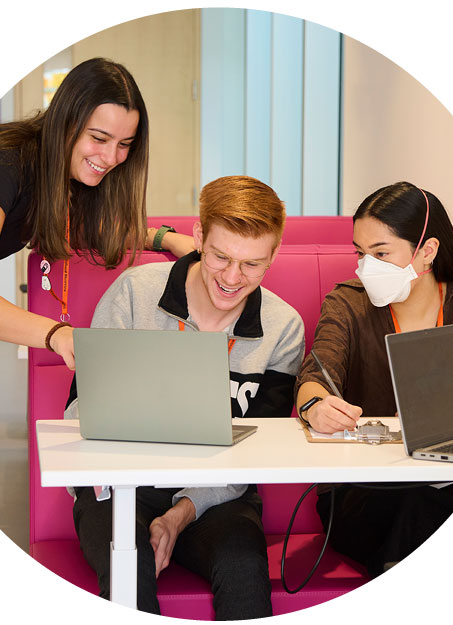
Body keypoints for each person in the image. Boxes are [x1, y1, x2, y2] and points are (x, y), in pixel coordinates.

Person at [64, 175, 305, 618]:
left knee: (243, 568)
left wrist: (181, 513)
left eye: (253, 265)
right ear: (198, 236)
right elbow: (81, 410)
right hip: (122, 485)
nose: (233, 279)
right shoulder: (134, 293)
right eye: (220, 257)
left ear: (273, 256)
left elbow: (258, 450)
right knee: (127, 567)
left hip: (219, 496)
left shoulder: (283, 327)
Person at [0, 57, 193, 430]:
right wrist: (56, 334)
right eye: (99, 138)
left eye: (124, 144)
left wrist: (165, 238)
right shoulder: (2, 161)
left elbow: (92, 228)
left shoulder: (61, 174)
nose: (111, 158)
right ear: (66, 121)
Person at [295, 181, 453, 577]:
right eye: (360, 253)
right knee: (422, 507)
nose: (366, 267)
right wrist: (314, 406)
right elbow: (314, 379)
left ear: (427, 251)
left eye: (381, 253)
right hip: (365, 491)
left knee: (439, 503)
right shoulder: (347, 302)